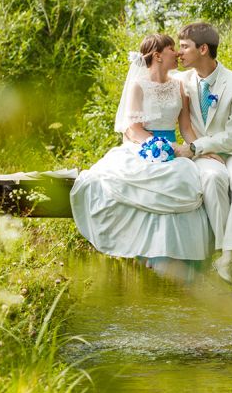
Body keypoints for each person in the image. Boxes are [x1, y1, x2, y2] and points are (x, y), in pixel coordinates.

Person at [70, 33, 220, 280]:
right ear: (158, 55)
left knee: (183, 179)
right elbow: (135, 129)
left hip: (171, 148)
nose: (177, 53)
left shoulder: (179, 86)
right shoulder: (138, 86)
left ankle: (177, 253)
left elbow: (185, 129)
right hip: (143, 145)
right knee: (142, 177)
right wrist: (155, 146)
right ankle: (148, 251)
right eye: (172, 49)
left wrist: (202, 149)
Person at [175, 22, 232, 284]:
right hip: (204, 154)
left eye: (185, 47)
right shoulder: (180, 81)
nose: (179, 53)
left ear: (203, 49)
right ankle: (226, 252)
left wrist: (195, 148)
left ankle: (229, 257)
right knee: (213, 179)